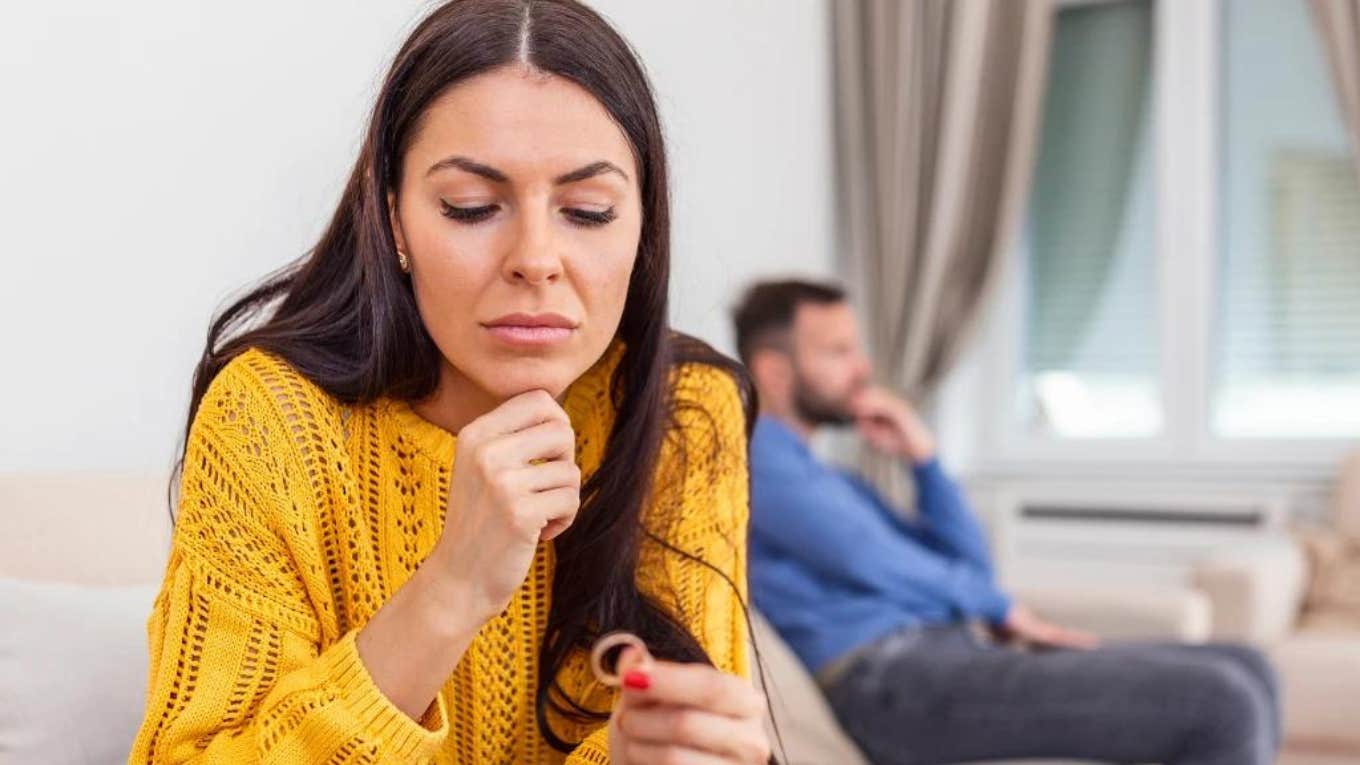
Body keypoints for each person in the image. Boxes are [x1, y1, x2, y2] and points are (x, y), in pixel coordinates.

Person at [128, 2, 773, 763]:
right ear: (394, 218)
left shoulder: (683, 409)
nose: (536, 257)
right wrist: (454, 586)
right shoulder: (271, 418)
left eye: (588, 212)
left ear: (643, 224)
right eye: (471, 207)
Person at [734, 279, 1279, 765]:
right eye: (839, 351)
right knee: (1222, 703)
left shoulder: (833, 478)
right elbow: (865, 557)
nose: (863, 367)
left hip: (944, 656)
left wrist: (924, 458)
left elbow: (971, 567)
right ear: (776, 373)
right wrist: (999, 608)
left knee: (1250, 665)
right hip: (891, 683)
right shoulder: (757, 460)